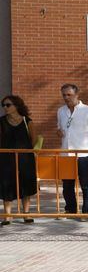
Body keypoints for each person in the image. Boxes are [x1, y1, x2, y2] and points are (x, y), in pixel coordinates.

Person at [57, 84, 88, 216]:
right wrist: (58, 132)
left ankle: (87, 210)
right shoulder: (60, 111)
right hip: (66, 153)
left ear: (77, 95)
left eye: (69, 95)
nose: (66, 97)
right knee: (67, 185)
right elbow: (59, 128)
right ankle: (70, 209)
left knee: (85, 183)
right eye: (64, 95)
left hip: (83, 153)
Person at [0, 95, 38, 225]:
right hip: (5, 159)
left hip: (25, 159)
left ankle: (26, 214)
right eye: (3, 105)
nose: (5, 107)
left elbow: (33, 139)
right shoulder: (1, 121)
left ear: (16, 106)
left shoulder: (27, 121)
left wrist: (26, 151)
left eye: (8, 105)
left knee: (25, 184)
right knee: (6, 185)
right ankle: (7, 216)